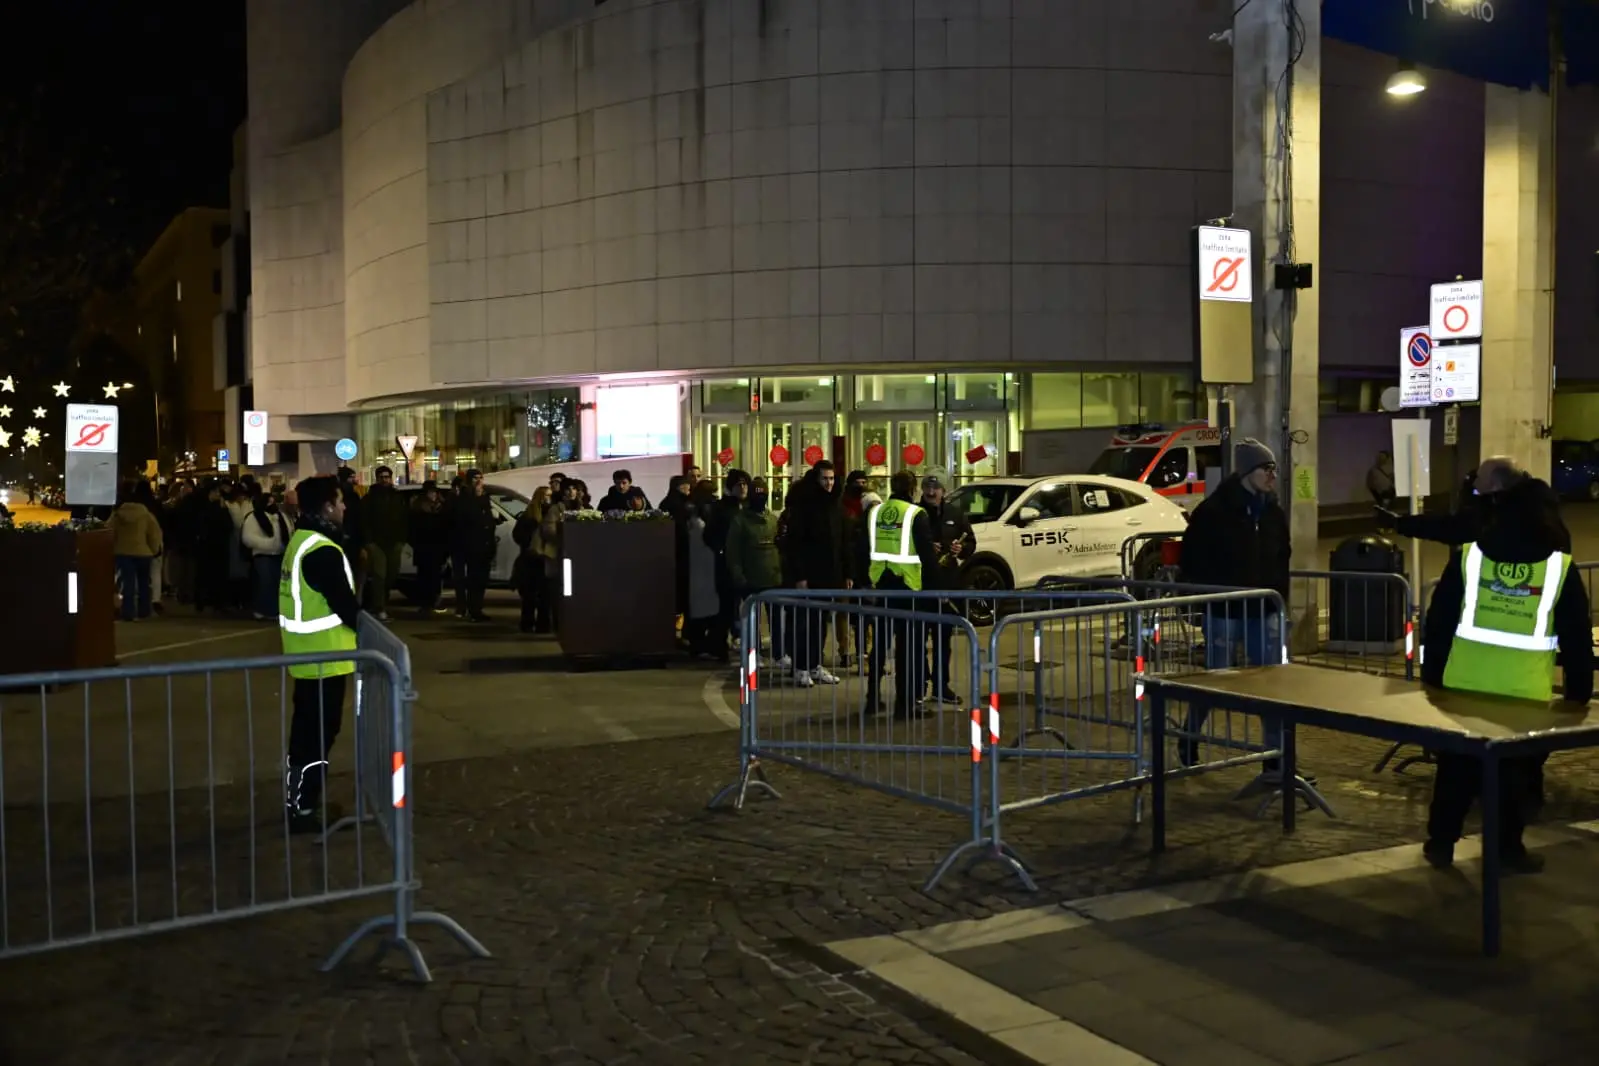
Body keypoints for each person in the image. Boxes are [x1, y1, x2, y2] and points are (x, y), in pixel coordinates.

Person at [1419, 459, 1592, 872]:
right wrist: (1577, 694)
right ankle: (1506, 850)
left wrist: (1431, 679)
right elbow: (1576, 636)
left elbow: (1439, 622)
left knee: (1455, 770)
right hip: (1524, 693)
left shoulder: (1470, 559)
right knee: (1515, 777)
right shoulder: (1558, 567)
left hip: (1461, 686)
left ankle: (1440, 843)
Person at [1176, 439, 1292, 770]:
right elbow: (1193, 558)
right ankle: (1189, 735)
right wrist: (1203, 599)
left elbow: (1283, 555)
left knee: (1271, 685)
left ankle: (1275, 758)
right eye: (1266, 469)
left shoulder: (1272, 512)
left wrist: (1279, 598)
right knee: (1217, 680)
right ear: (1246, 472)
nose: (1272, 476)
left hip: (1264, 609)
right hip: (1225, 609)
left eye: (1274, 469)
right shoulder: (1214, 512)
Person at [279, 475, 362, 833]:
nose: (345, 506)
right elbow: (346, 606)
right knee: (317, 737)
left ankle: (299, 803)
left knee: (305, 737)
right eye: (340, 500)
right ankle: (305, 809)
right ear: (327, 506)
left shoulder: (301, 540)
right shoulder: (322, 550)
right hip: (324, 658)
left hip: (306, 658)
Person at [857, 469, 939, 717]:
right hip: (909, 589)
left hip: (881, 586)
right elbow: (927, 557)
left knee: (879, 646)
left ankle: (872, 700)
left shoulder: (875, 512)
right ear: (913, 489)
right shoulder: (916, 515)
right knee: (908, 648)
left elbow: (861, 548)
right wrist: (936, 590)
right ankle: (904, 704)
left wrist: (865, 583)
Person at [781, 461, 851, 685]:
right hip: (809, 575)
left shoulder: (837, 506)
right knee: (805, 621)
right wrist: (800, 576)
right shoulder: (805, 507)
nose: (829, 483)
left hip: (830, 576)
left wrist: (847, 572)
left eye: (832, 479)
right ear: (816, 479)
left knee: (821, 621)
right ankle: (800, 667)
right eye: (825, 479)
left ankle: (814, 665)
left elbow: (844, 542)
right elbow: (796, 544)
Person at [919, 471, 975, 705]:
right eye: (927, 488)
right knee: (918, 639)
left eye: (936, 488)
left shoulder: (954, 513)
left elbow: (970, 542)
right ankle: (918, 685)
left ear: (944, 490)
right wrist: (923, 548)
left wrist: (959, 550)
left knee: (943, 641)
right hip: (921, 586)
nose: (931, 493)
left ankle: (941, 687)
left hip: (947, 586)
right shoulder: (916, 513)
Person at [727, 476, 784, 664]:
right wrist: (738, 575)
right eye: (757, 495)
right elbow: (733, 551)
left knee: (776, 619)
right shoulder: (740, 521)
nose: (761, 498)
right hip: (751, 578)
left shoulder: (772, 519)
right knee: (753, 621)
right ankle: (754, 653)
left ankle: (778, 653)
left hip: (772, 577)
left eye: (764, 494)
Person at [703, 469, 750, 658]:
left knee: (745, 604)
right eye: (739, 484)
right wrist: (720, 549)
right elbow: (709, 535)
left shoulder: (748, 507)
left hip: (747, 563)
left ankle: (743, 641)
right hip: (726, 565)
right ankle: (719, 645)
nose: (743, 488)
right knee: (727, 606)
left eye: (746, 484)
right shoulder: (722, 508)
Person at [361, 465, 411, 622]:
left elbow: (404, 518)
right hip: (376, 542)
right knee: (379, 575)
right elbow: (364, 521)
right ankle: (379, 608)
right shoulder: (370, 498)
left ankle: (382, 603)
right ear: (377, 478)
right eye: (382, 477)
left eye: (387, 477)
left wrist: (402, 539)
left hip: (394, 542)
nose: (385, 480)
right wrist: (368, 541)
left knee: (391, 575)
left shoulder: (397, 496)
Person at [109, 482, 163, 622]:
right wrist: (154, 549)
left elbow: (109, 532)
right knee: (144, 583)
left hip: (123, 552)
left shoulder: (117, 515)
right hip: (143, 553)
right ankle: (144, 611)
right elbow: (154, 534)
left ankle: (128, 612)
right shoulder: (146, 514)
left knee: (128, 583)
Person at [450, 468, 499, 621]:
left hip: (483, 545)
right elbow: (467, 519)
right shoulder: (464, 499)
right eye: (475, 478)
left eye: (480, 478)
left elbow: (487, 518)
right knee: (473, 578)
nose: (479, 482)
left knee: (481, 579)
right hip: (469, 546)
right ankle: (472, 609)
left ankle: (476, 608)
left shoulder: (484, 497)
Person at [683, 481, 723, 658]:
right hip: (703, 561)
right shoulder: (698, 511)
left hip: (701, 562)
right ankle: (702, 643)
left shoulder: (694, 510)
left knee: (702, 605)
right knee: (705, 605)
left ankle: (700, 643)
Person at [242, 490, 293, 621]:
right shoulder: (253, 517)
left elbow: (289, 531)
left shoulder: (281, 516)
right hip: (262, 555)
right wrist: (268, 543)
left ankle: (275, 609)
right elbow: (248, 537)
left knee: (277, 583)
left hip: (279, 555)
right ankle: (263, 609)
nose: (271, 504)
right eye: (268, 501)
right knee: (265, 583)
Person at [408, 480, 449, 615]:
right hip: (424, 547)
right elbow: (413, 530)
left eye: (435, 492)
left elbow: (446, 528)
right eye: (431, 492)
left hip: (437, 547)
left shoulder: (441, 507)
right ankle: (425, 603)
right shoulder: (418, 508)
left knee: (436, 576)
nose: (433, 495)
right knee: (425, 576)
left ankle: (434, 600)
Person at [514, 486, 550, 633]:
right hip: (533, 559)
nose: (548, 499)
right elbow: (518, 534)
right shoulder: (530, 516)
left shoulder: (547, 513)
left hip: (540, 558)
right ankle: (531, 623)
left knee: (541, 595)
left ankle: (538, 624)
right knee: (531, 594)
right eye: (546, 496)